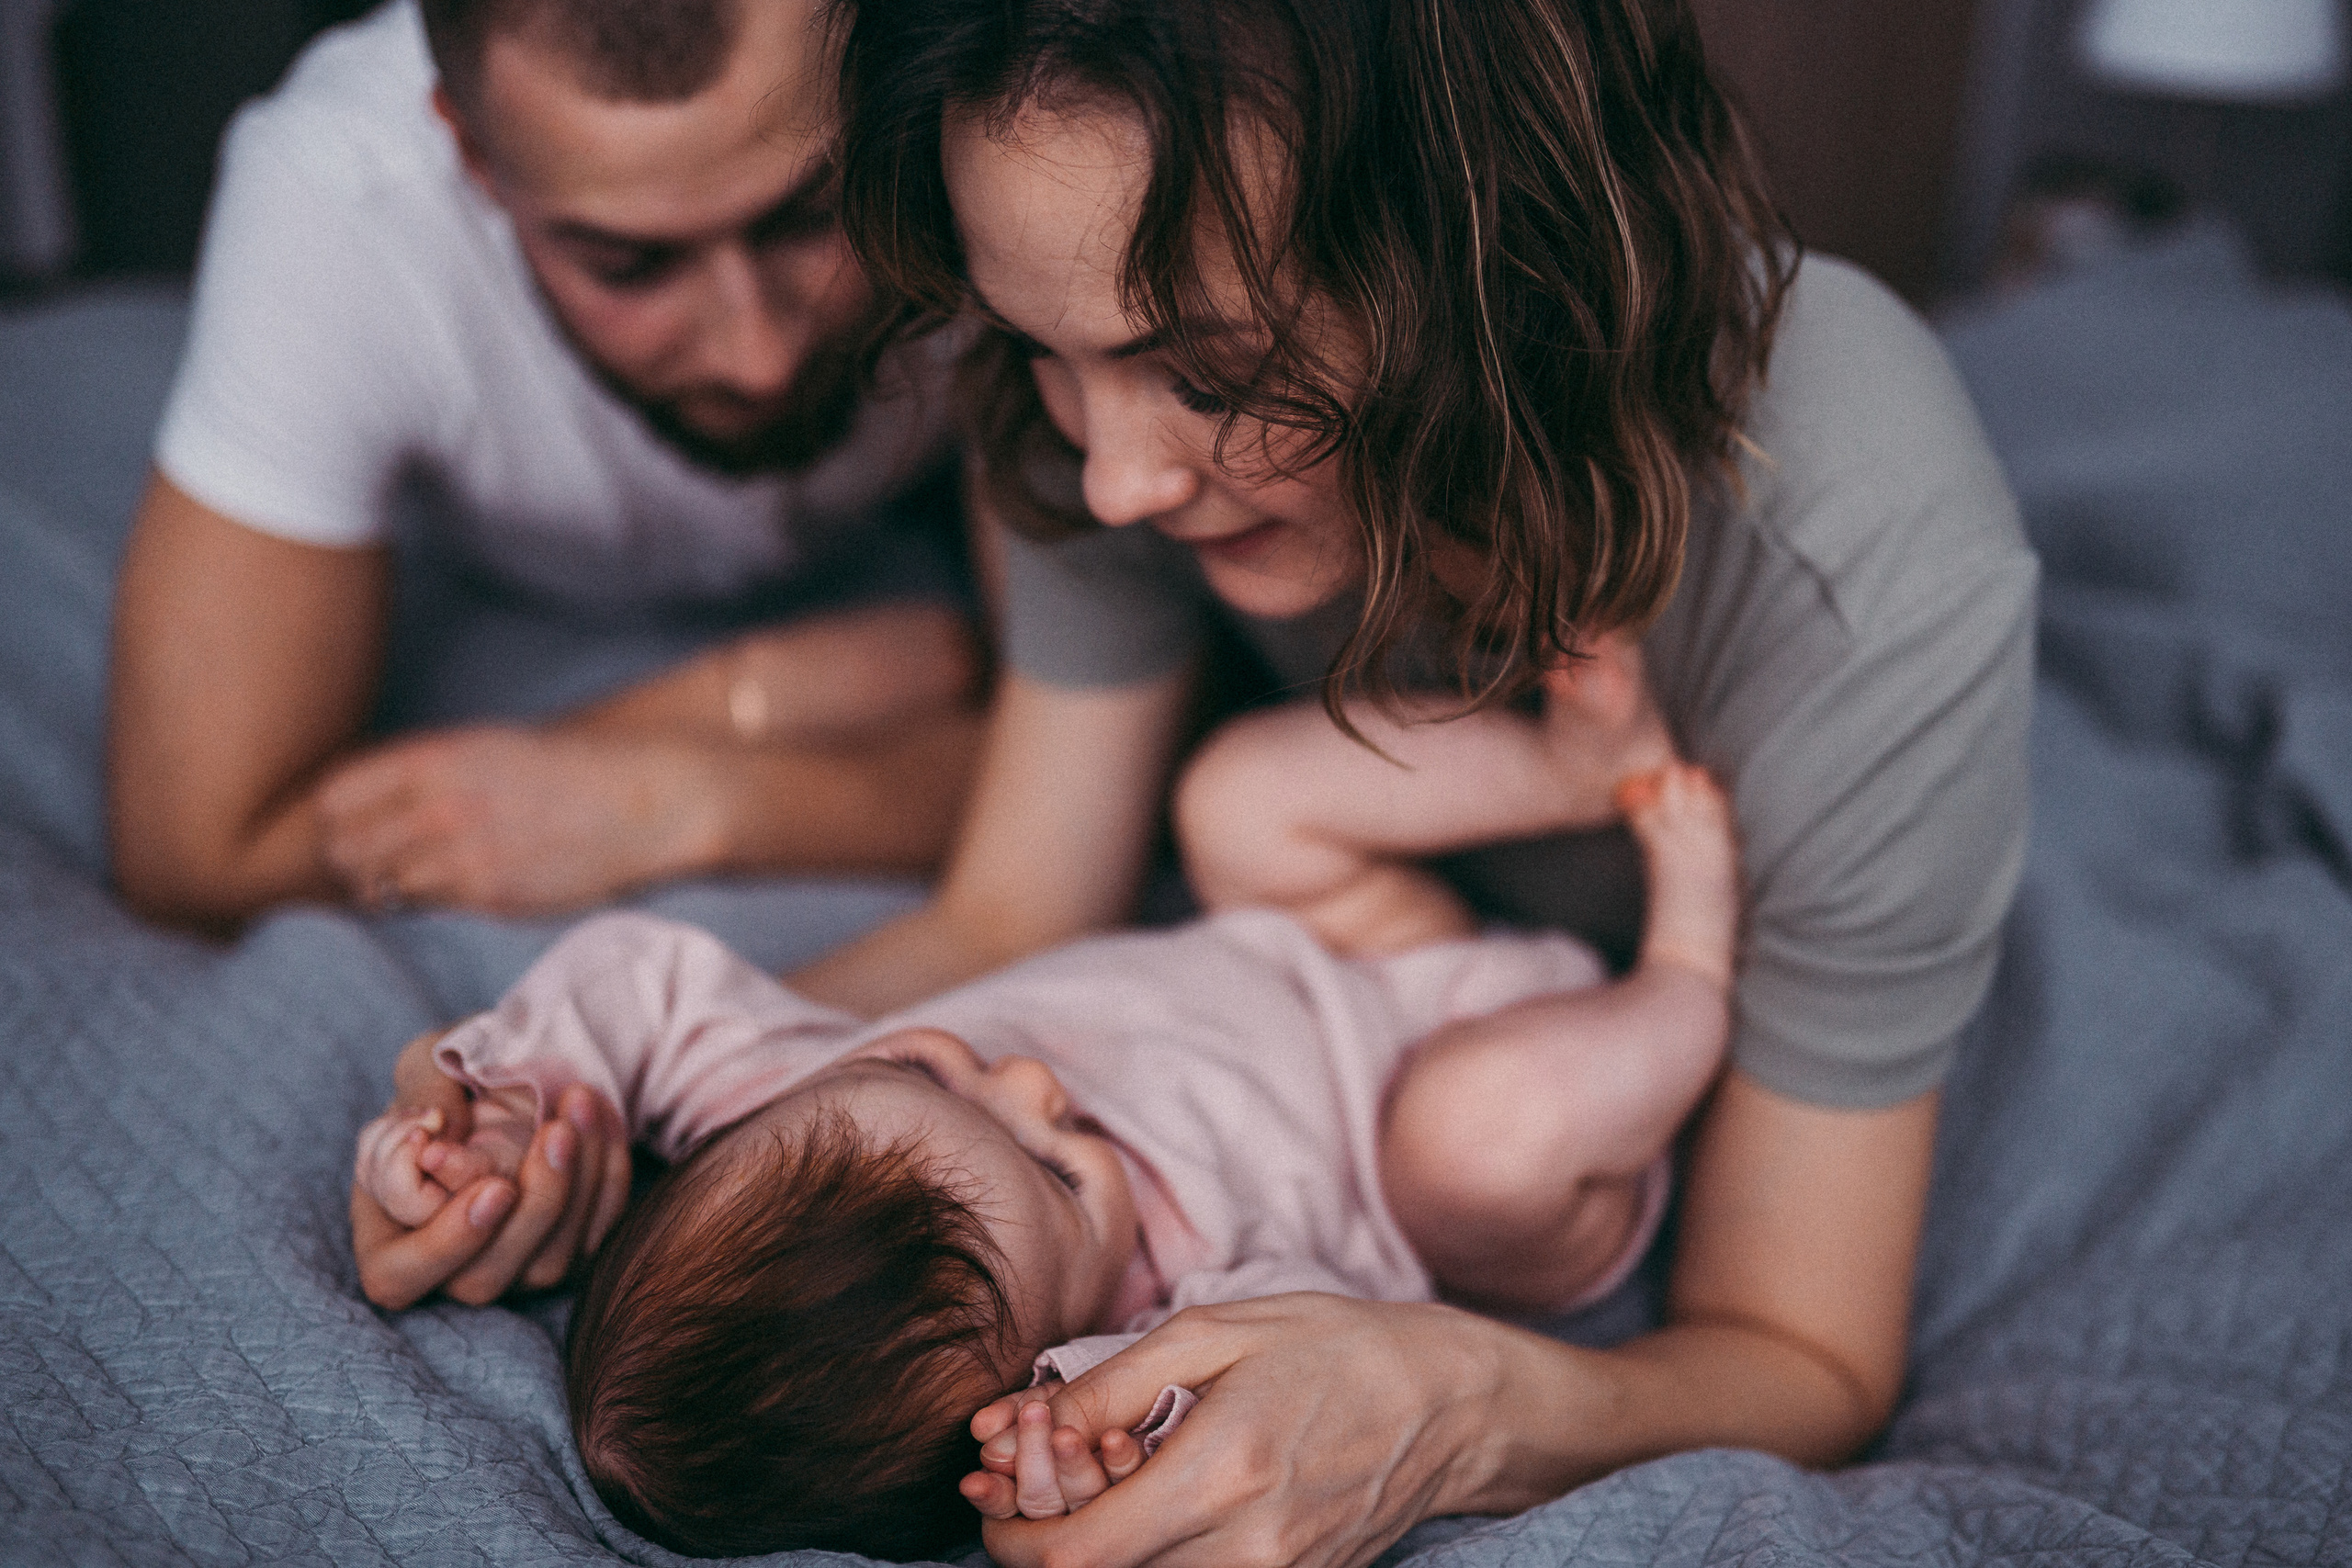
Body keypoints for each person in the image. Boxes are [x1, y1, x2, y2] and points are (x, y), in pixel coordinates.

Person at [353, 0, 2039, 1560]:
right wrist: (563, 1125)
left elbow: (1795, 1349)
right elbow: (1015, 922)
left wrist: (1446, 1405)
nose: (1117, 477)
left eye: (1217, 377)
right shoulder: (1078, 350)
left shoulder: (1856, 563)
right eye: (1042, 351)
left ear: (1491, 270)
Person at [350, 733, 1739, 1557]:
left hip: (1327, 934)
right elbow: (1259, 1374)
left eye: (924, 1064)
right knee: (1486, 1142)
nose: (1026, 1075)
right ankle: (1690, 966)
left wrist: (520, 1096)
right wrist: (1104, 1427)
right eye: (1064, 1167)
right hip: (1440, 1107)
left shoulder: (771, 1092)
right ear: (1073, 1339)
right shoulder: (1170, 1310)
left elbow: (634, 980)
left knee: (1232, 795)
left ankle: (1576, 757)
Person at [107, 0, 982, 931]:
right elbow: (199, 857)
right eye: (627, 264)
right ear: (471, 155)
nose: (756, 353)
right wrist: (715, 721)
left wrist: (695, 802)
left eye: (813, 211)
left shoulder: (990, 93)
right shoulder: (346, 196)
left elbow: (1092, 798)